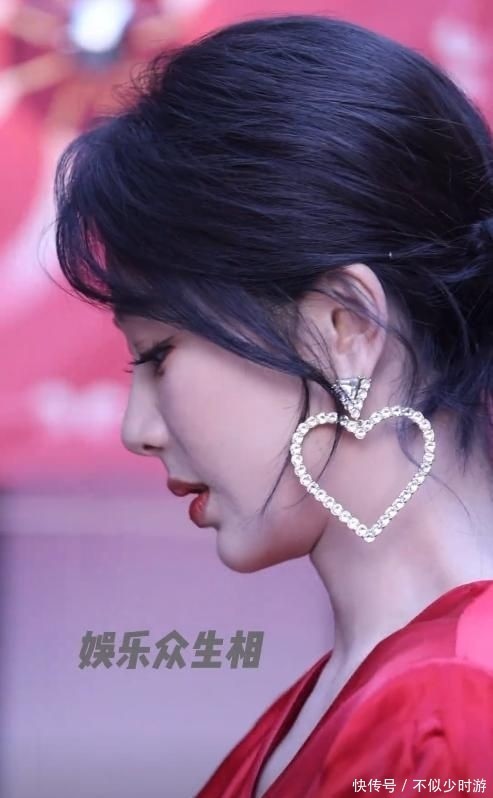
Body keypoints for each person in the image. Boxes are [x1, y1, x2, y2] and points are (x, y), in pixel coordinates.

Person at [52, 14, 493, 797]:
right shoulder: (361, 692)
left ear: (344, 327)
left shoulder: (446, 715)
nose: (136, 431)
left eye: (158, 354)